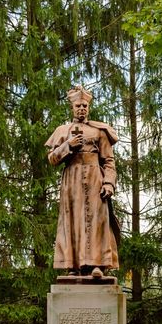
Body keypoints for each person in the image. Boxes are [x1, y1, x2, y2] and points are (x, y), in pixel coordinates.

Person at [46, 85, 119, 277]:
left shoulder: (99, 131)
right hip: (72, 180)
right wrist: (67, 146)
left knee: (97, 220)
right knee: (73, 220)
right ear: (72, 107)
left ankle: (98, 265)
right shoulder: (62, 130)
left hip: (96, 178)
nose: (81, 109)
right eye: (78, 105)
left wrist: (109, 183)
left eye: (85, 106)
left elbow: (109, 161)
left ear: (88, 107)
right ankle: (73, 266)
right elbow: (52, 159)